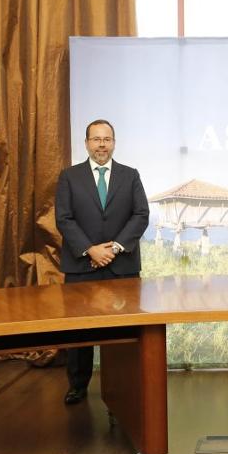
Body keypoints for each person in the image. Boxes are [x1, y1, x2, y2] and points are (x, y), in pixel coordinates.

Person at [55, 119, 150, 405]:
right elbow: (64, 218)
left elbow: (141, 215)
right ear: (86, 143)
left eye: (106, 139)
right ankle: (78, 386)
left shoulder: (130, 175)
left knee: (124, 333)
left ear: (114, 143)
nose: (101, 145)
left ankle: (126, 385)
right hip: (81, 266)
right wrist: (90, 250)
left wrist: (116, 248)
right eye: (96, 139)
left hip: (122, 267)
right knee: (79, 332)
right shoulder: (69, 177)